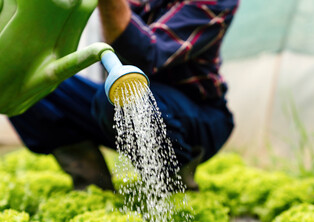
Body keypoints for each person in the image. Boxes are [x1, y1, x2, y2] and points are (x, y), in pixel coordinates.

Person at [9, 0, 238, 191]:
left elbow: (147, 55)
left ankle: (172, 183)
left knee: (125, 96)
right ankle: (91, 182)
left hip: (198, 115)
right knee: (20, 82)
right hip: (123, 103)